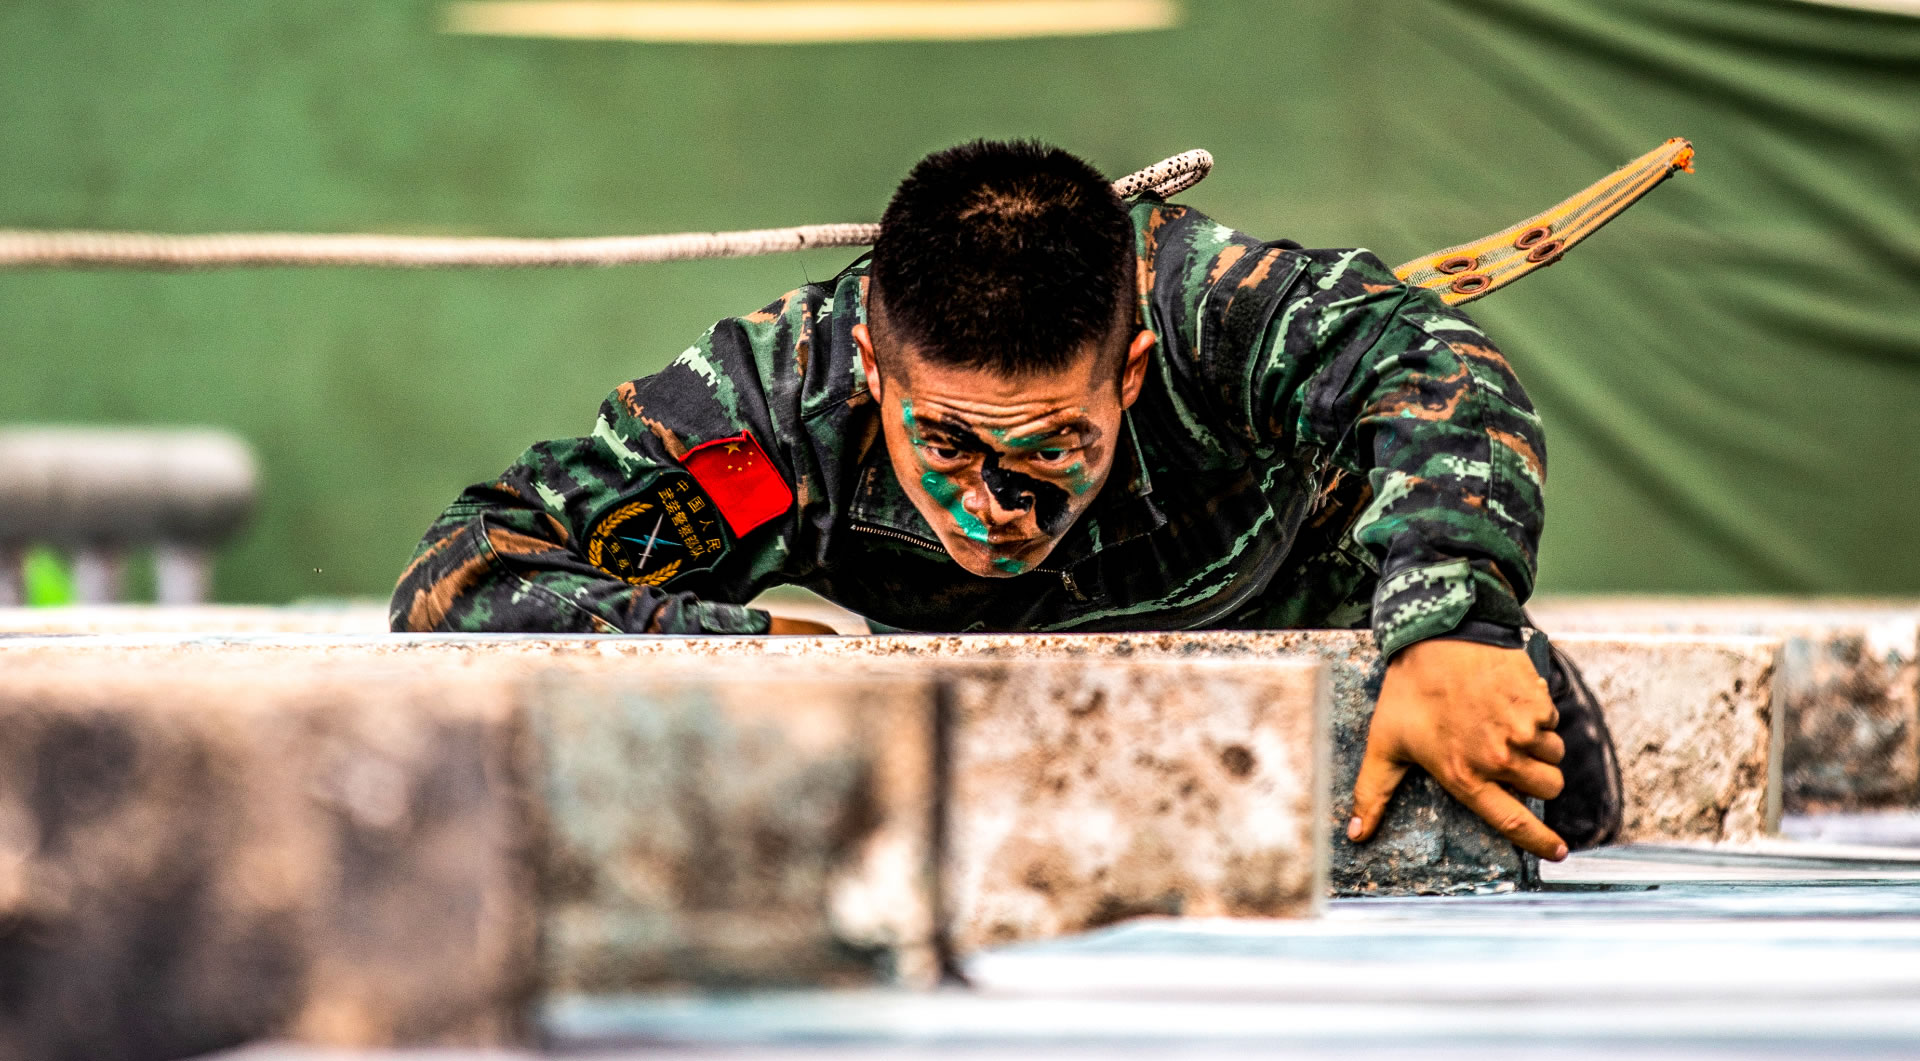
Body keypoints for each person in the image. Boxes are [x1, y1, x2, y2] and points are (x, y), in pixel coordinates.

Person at [392, 139, 1620, 858]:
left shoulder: (1213, 310)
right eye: (944, 443)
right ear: (872, 372)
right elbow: (467, 572)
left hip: (1301, 639)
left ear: (1130, 374)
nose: (993, 509)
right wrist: (748, 645)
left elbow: (1437, 366)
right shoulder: (777, 411)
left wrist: (1453, 622)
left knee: (1557, 801)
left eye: (1048, 445)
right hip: (982, 781)